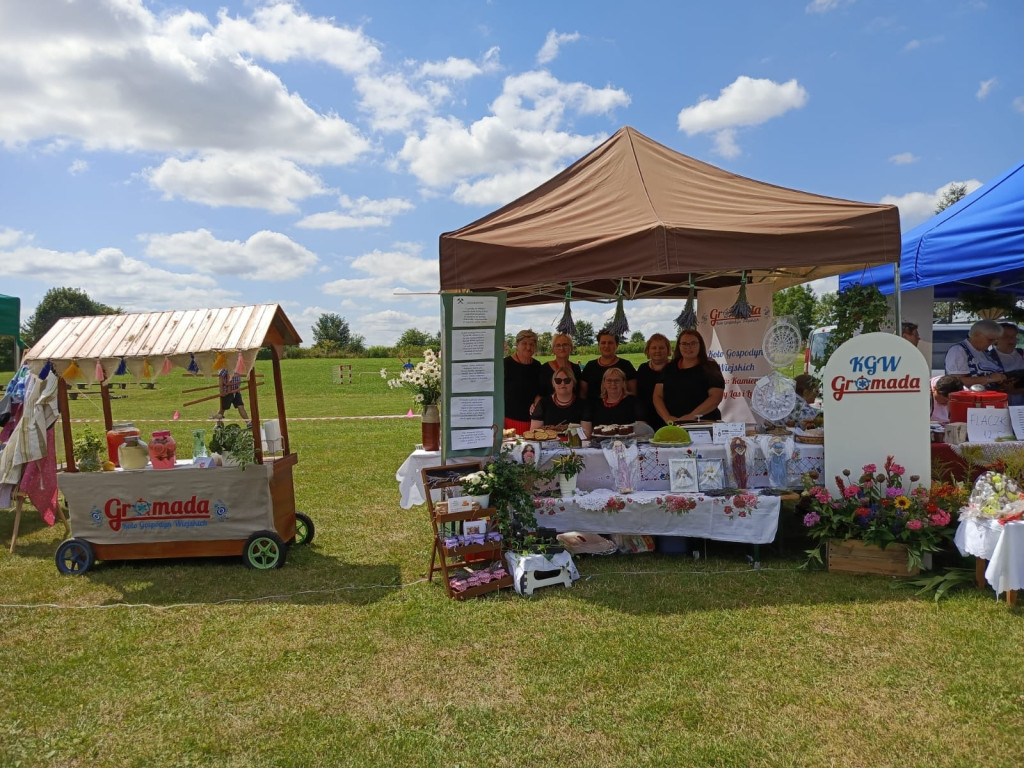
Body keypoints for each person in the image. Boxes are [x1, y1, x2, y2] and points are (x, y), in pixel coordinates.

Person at [653, 329, 725, 424]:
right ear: (679, 346)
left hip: (703, 423)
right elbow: (657, 396)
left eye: (693, 343)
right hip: (674, 425)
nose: (689, 347)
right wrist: (667, 417)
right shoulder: (669, 367)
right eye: (684, 344)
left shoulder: (710, 367)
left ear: (700, 345)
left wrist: (691, 417)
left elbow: (715, 397)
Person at [581, 368, 646, 438]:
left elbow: (642, 428)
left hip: (627, 445)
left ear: (623, 383)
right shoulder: (593, 403)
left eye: (617, 380)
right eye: (609, 380)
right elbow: (585, 433)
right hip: (599, 445)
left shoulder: (634, 402)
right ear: (604, 383)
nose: (613, 384)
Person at [943, 319, 1007, 389]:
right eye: (990, 340)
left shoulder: (985, 352)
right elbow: (956, 382)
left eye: (995, 340)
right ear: (977, 334)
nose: (993, 343)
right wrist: (989, 379)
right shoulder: (958, 350)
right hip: (969, 398)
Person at [580, 329, 637, 405]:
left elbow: (633, 393)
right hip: (593, 411)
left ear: (616, 345)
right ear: (599, 345)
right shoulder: (590, 366)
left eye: (610, 343)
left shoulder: (626, 366)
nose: (606, 346)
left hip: (620, 411)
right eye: (603, 343)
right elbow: (582, 394)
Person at [503, 328, 544, 434]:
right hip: (509, 420)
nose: (528, 347)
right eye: (524, 343)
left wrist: (536, 403)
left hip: (533, 421)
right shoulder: (505, 364)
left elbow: (540, 391)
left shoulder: (537, 366)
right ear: (517, 344)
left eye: (532, 344)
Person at [636, 333, 671, 430]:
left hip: (670, 418)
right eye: (654, 348)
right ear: (648, 351)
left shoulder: (675, 368)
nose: (657, 351)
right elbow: (640, 396)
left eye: (661, 348)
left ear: (668, 350)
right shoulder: (643, 369)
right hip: (647, 419)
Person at [537, 333, 584, 400]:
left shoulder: (576, 368)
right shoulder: (545, 368)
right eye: (558, 345)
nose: (562, 348)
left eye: (565, 344)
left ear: (571, 348)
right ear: (553, 349)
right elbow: (540, 394)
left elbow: (579, 392)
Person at [991, 322, 1024, 406]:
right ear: (996, 338)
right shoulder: (988, 358)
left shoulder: (1022, 354)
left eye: (1014, 336)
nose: (1011, 339)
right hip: (1000, 405)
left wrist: (1015, 390)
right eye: (1006, 336)